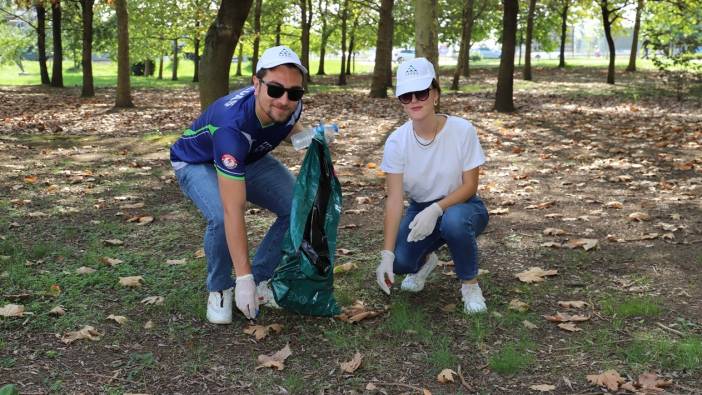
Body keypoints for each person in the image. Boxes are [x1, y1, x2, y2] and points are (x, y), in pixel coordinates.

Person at [170, 45, 308, 323]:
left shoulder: (291, 103)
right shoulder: (230, 126)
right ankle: (221, 287)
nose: (284, 99)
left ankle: (261, 280)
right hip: (199, 161)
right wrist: (240, 275)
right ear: (256, 83)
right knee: (222, 215)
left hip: (248, 156)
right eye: (275, 89)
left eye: (294, 92)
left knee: (298, 205)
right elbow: (235, 209)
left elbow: (290, 123)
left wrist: (309, 141)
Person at [375, 57, 490, 314]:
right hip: (420, 210)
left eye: (422, 92)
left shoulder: (462, 130)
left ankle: (470, 285)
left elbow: (470, 185)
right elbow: (394, 199)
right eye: (406, 96)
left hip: (464, 205)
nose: (414, 100)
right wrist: (387, 254)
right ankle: (426, 261)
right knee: (401, 261)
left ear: (435, 94)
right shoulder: (396, 141)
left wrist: (437, 208)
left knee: (454, 222)